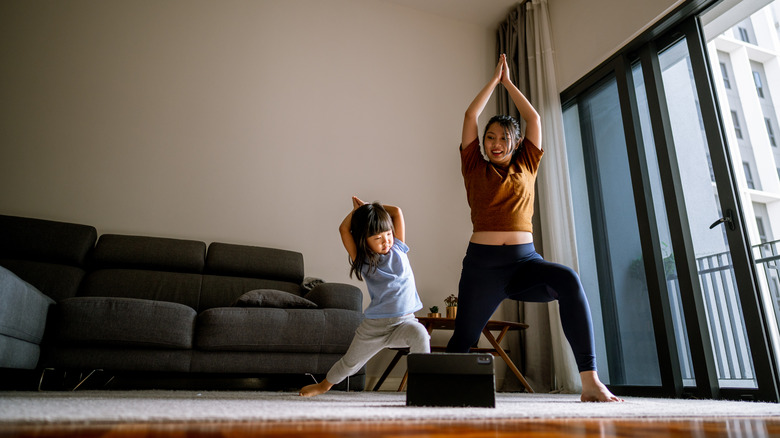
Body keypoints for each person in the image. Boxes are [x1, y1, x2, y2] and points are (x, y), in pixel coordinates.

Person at [446, 53, 622, 402]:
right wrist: (493, 83)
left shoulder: (528, 161)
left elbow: (534, 118)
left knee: (568, 280)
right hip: (482, 268)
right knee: (461, 341)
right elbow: (470, 115)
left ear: (515, 142)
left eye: (503, 137)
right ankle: (441, 389)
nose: (495, 143)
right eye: (490, 137)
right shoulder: (472, 165)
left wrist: (509, 84)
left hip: (525, 263)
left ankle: (590, 382)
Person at [300, 196, 430, 397]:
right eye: (378, 238)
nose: (386, 240)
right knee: (350, 363)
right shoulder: (364, 261)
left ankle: (423, 388)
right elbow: (344, 230)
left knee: (421, 335)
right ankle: (323, 385)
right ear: (364, 240)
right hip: (375, 328)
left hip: (405, 322)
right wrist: (357, 214)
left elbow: (396, 211)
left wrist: (370, 207)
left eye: (387, 234)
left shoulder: (399, 248)